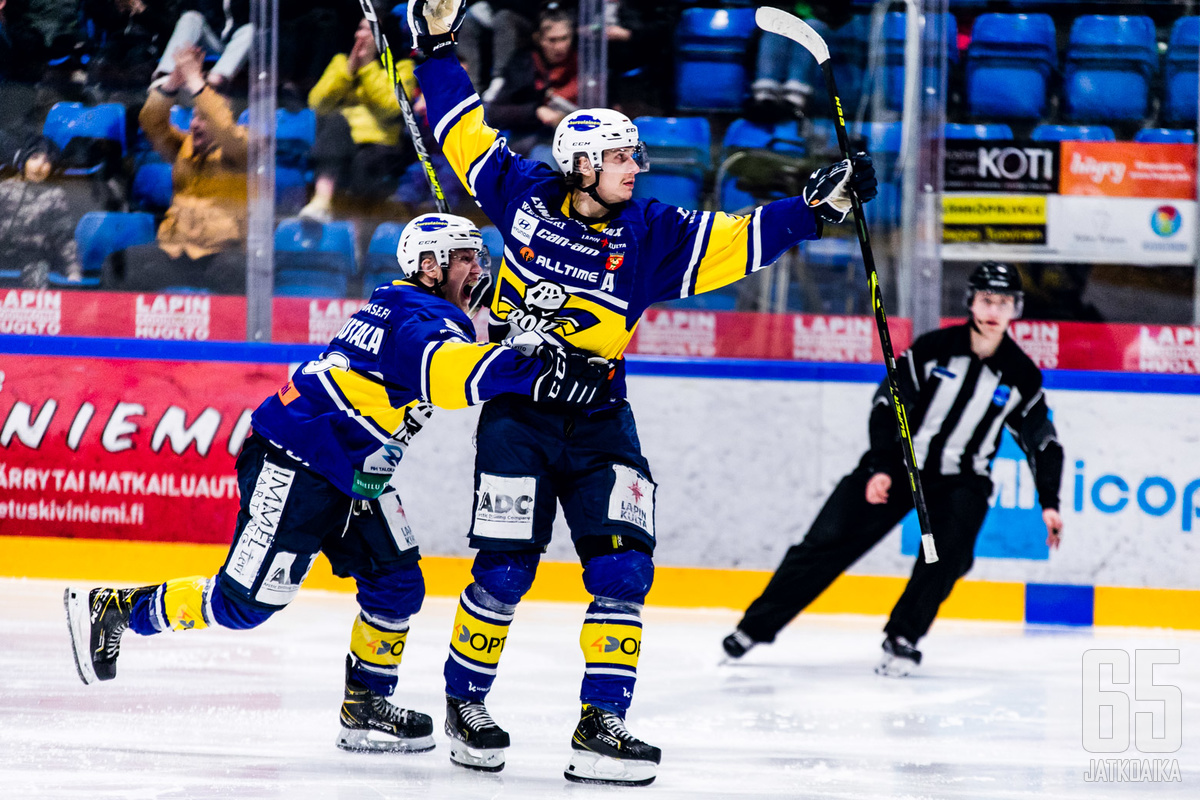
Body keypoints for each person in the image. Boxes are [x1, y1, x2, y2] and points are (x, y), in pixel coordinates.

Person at [405, 0, 877, 785]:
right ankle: (465, 703)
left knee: (624, 571)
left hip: (601, 424)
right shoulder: (520, 193)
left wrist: (816, 205)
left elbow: (739, 239)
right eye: (623, 156)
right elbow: (459, 127)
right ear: (582, 165)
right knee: (504, 572)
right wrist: (437, 44)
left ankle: (602, 726)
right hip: (518, 420)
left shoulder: (651, 234)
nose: (637, 166)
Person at [65, 212, 613, 753]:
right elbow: (451, 376)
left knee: (397, 583)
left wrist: (526, 338)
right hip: (296, 459)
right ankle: (117, 607)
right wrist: (543, 371)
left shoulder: (417, 307)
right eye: (466, 259)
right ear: (429, 266)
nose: (478, 270)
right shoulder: (415, 318)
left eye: (478, 257)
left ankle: (365, 707)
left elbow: (465, 347)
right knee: (244, 605)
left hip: (355, 476)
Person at [722, 262, 1066, 676]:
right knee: (824, 544)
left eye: (1004, 302)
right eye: (986, 299)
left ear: (1017, 309)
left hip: (962, 482)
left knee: (947, 557)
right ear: (971, 302)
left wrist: (1050, 501)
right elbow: (887, 405)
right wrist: (882, 466)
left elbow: (1043, 441)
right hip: (898, 468)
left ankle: (903, 637)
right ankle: (754, 628)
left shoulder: (1021, 375)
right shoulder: (933, 350)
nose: (994, 309)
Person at [105, 45, 247, 294]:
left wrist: (195, 79)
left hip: (222, 255)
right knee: (119, 264)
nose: (195, 125)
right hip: (177, 252)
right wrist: (174, 81)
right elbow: (151, 122)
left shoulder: (242, 147)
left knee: (239, 272)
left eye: (205, 118)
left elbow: (225, 129)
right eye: (194, 116)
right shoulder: (183, 146)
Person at [299, 18, 415, 222]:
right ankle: (321, 203)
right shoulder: (340, 63)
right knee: (335, 120)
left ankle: (358, 230)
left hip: (378, 145)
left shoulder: (403, 67)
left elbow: (391, 107)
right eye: (360, 28)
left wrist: (368, 66)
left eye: (368, 31)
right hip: (338, 141)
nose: (360, 35)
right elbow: (317, 102)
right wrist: (349, 70)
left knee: (363, 164)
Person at [484, 2, 577, 155]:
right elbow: (494, 113)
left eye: (564, 38)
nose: (560, 47)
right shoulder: (524, 64)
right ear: (539, 39)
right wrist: (536, 112)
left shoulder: (585, 63)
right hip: (535, 137)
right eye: (552, 40)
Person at [0, 135, 81, 286]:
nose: (39, 166)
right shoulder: (4, 189)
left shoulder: (54, 196)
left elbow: (64, 237)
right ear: (22, 160)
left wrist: (73, 271)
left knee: (38, 274)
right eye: (34, 158)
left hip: (34, 259)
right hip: (3, 254)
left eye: (46, 161)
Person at [153, 0, 251, 92]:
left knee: (251, 29)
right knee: (190, 17)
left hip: (240, 44)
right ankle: (166, 74)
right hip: (213, 40)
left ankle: (217, 77)